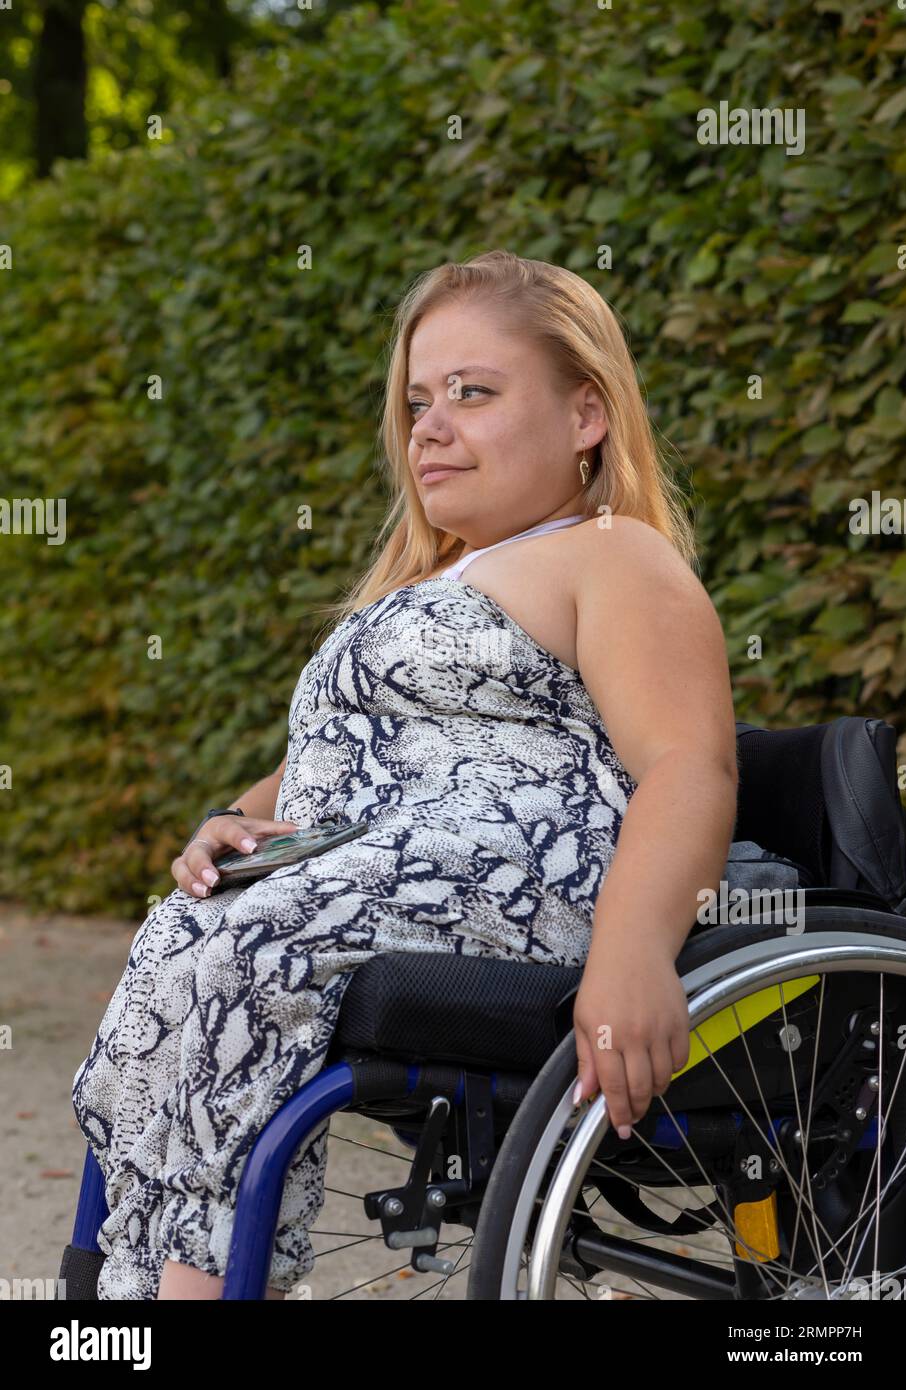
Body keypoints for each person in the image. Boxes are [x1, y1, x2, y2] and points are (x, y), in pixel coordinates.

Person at [71, 249, 738, 1300]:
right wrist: (230, 824)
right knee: (179, 938)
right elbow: (323, 764)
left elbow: (689, 765)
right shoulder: (420, 582)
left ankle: (179, 1300)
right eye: (419, 398)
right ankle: (123, 1284)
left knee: (247, 945)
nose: (429, 423)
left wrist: (632, 951)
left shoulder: (609, 554)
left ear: (586, 416)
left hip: (520, 880)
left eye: (473, 392)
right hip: (371, 866)